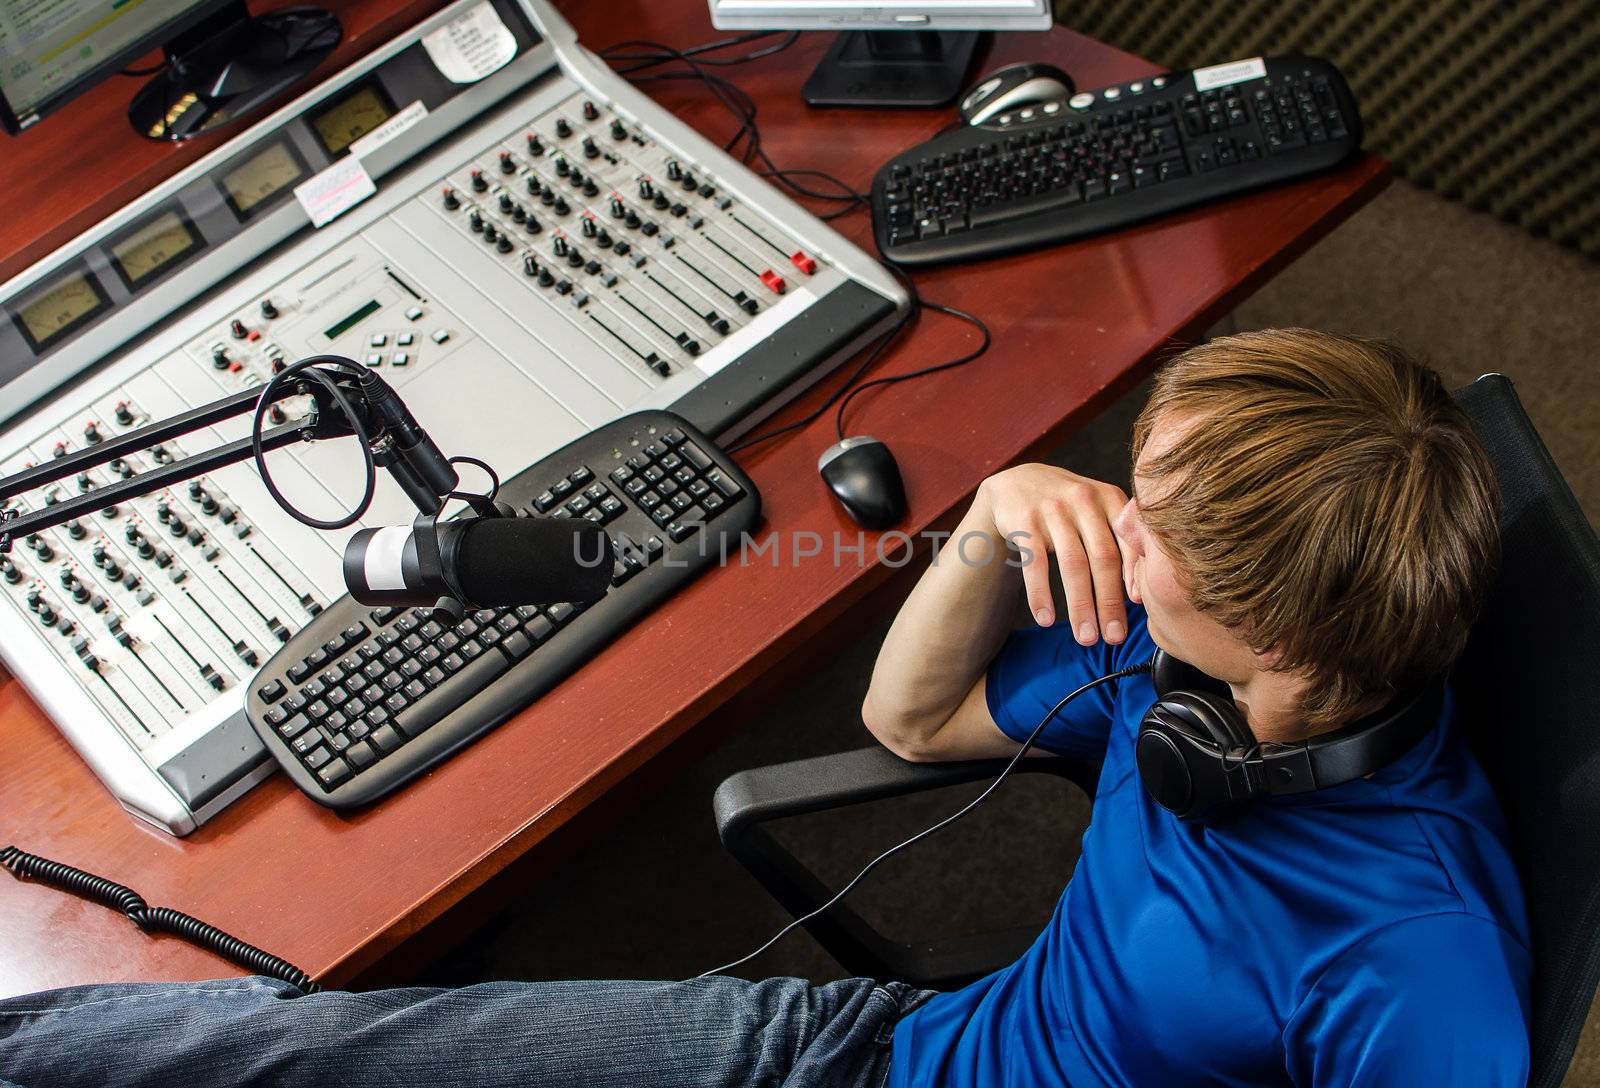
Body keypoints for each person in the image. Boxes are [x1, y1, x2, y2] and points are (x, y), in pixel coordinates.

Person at [0, 329, 1529, 1087]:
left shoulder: (1421, 969)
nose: (1110, 515)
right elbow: (911, 723)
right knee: (314, 1054)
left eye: (1151, 518)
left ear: (1272, 635)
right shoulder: (1167, 664)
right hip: (862, 1053)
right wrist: (997, 516)